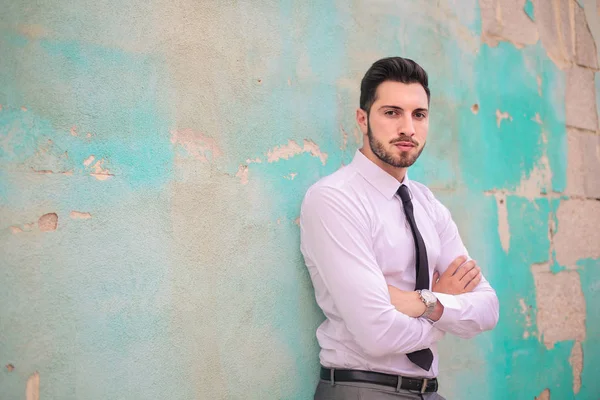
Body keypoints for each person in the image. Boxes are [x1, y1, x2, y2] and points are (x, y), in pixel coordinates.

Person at [299, 57, 499, 400]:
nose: (408, 128)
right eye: (392, 112)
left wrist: (424, 303)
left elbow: (488, 308)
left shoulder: (426, 203)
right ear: (363, 119)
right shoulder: (334, 200)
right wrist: (443, 312)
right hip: (362, 388)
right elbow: (377, 334)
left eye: (418, 114)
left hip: (429, 391)